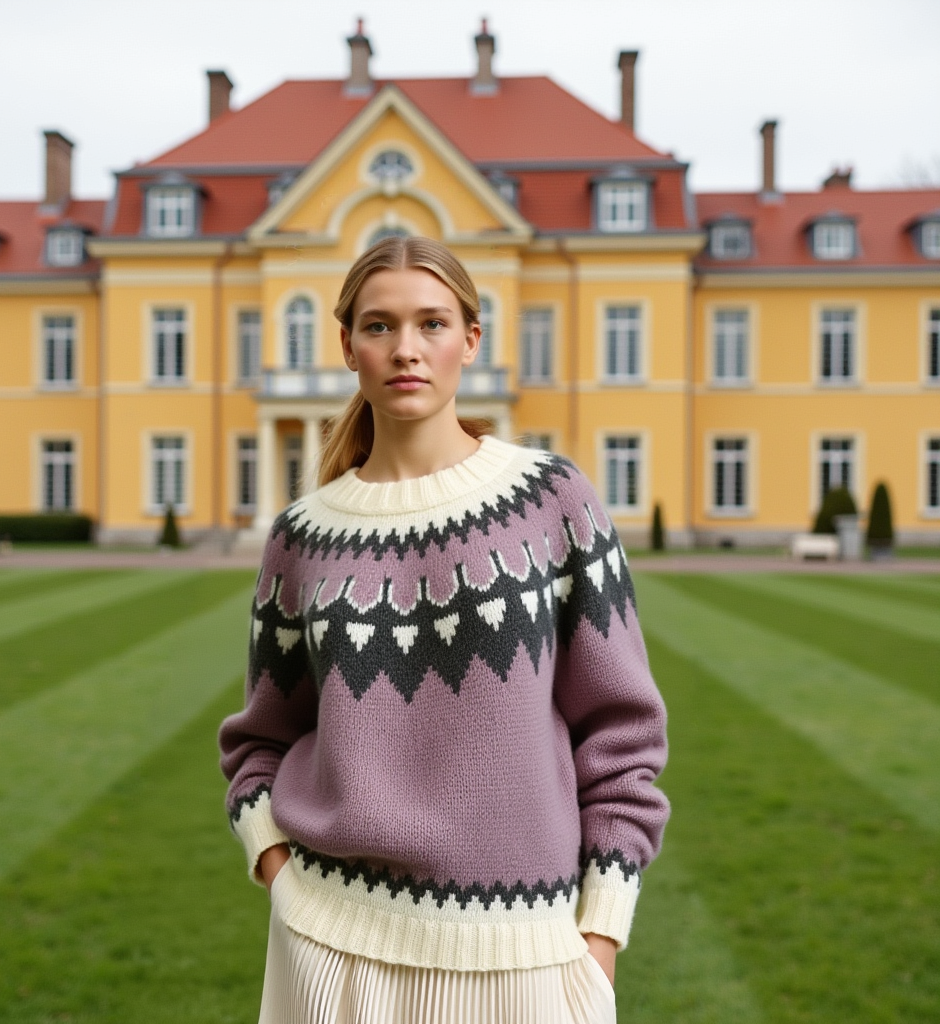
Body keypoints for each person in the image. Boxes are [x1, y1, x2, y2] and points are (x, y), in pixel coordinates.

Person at [218, 236, 670, 1024]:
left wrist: (599, 938)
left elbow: (623, 737)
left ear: (471, 339)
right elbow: (259, 739)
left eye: (432, 323)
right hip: (329, 941)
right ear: (348, 346)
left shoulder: (554, 500)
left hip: (527, 955)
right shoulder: (302, 535)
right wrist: (277, 869)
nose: (406, 349)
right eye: (380, 326)